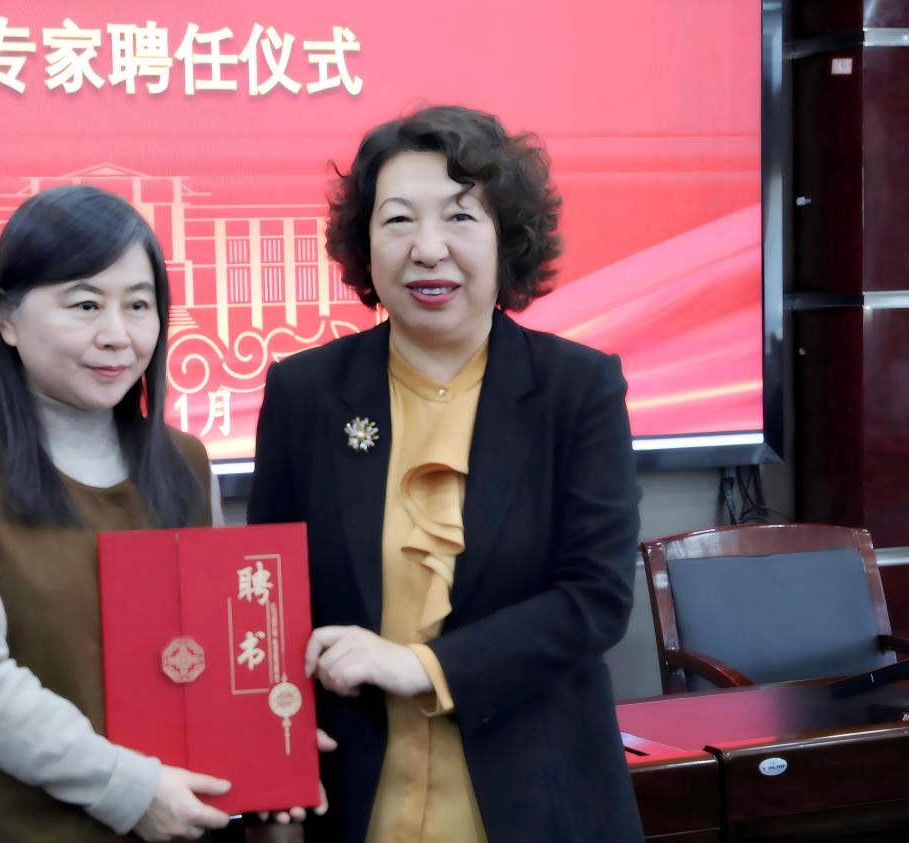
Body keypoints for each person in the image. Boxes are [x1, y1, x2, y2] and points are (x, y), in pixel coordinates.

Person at [248, 106, 644, 843]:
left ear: (508, 240)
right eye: (398, 220)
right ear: (365, 247)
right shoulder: (304, 393)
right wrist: (271, 748)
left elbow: (595, 599)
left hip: (537, 799)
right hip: (355, 798)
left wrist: (423, 666)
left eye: (460, 218)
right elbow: (267, 598)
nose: (427, 249)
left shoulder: (576, 389)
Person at [0, 185, 237, 842]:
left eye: (138, 305)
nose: (117, 335)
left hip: (161, 819)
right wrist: (128, 788)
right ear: (8, 320)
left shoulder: (184, 463)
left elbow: (207, 652)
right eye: (84, 304)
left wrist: (266, 741)